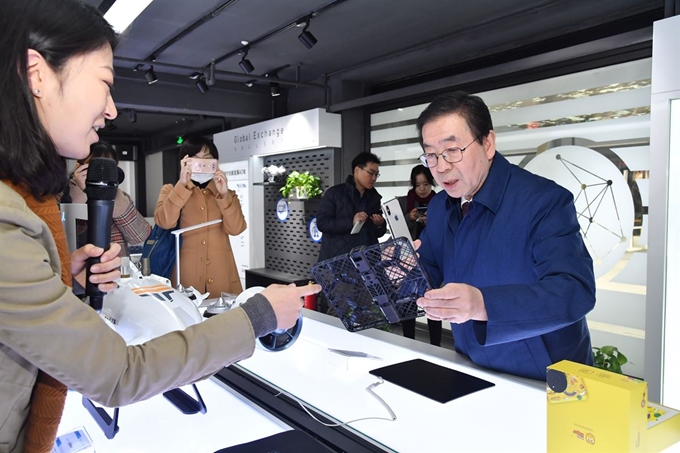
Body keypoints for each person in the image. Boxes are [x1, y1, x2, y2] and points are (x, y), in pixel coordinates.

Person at [0, 2, 320, 451]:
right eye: (105, 84)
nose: (111, 109)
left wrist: (56, 281)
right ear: (37, 75)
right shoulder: (9, 217)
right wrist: (261, 317)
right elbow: (119, 372)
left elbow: (237, 225)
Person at [414, 91, 596, 381]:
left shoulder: (544, 201)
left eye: (452, 151)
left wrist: (482, 304)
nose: (441, 166)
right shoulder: (440, 206)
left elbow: (575, 291)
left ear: (488, 143)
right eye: (431, 155)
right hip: (472, 366)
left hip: (547, 379)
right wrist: (402, 269)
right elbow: (431, 272)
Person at [154, 136, 247, 295]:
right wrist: (182, 185)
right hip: (183, 278)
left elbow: (236, 228)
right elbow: (164, 222)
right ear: (184, 163)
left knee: (223, 319)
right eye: (195, 159)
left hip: (221, 278)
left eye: (207, 160)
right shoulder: (171, 190)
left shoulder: (226, 194)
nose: (201, 165)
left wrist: (223, 194)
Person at [61, 141, 151, 257]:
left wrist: (111, 193)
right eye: (96, 167)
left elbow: (140, 236)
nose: (102, 173)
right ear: (79, 167)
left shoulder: (120, 196)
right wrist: (81, 192)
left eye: (108, 168)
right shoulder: (63, 195)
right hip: (77, 269)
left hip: (116, 270)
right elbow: (62, 234)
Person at [397, 165, 442, 346]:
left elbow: (445, 232)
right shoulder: (404, 203)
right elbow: (396, 232)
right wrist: (410, 218)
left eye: (425, 184)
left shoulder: (441, 202)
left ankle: (436, 345)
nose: (422, 188)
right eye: (418, 185)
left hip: (432, 260)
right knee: (408, 302)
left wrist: (430, 220)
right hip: (408, 259)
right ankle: (409, 343)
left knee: (433, 301)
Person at [316, 152, 387, 263]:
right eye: (371, 173)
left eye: (376, 174)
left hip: (369, 259)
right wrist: (351, 222)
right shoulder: (334, 193)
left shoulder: (374, 197)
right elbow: (322, 223)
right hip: (340, 260)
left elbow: (377, 233)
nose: (374, 178)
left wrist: (380, 225)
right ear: (357, 170)